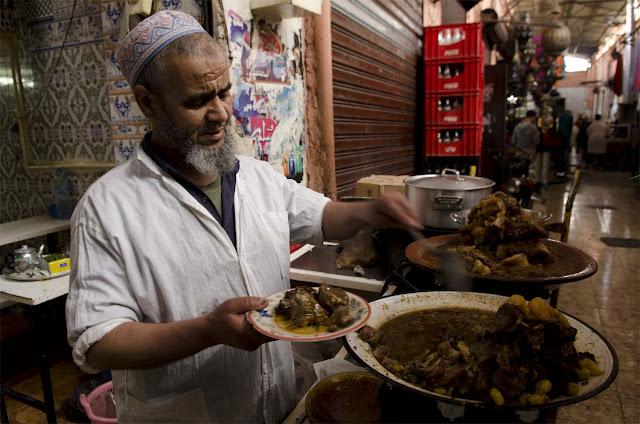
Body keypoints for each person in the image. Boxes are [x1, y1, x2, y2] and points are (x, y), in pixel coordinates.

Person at [65, 11, 421, 423]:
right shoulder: (108, 207)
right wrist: (208, 331)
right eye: (197, 101)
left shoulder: (253, 175)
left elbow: (324, 217)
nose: (219, 113)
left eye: (224, 92)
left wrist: (371, 209)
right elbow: (99, 343)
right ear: (148, 101)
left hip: (280, 402)